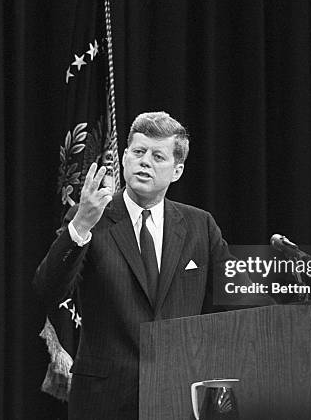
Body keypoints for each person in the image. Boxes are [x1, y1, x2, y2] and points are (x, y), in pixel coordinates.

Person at [33, 111, 274, 419]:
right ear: (123, 158)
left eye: (158, 155)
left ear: (177, 170)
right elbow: (48, 288)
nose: (145, 161)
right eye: (138, 152)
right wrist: (80, 225)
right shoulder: (91, 217)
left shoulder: (199, 225)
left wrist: (299, 301)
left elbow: (238, 294)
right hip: (104, 400)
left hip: (178, 394)